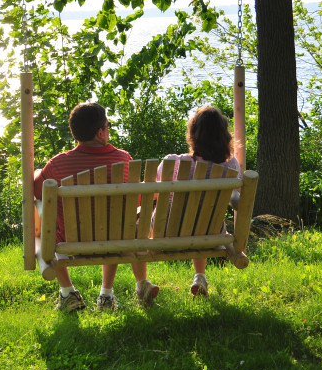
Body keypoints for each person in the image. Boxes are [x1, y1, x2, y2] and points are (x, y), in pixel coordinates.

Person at [34, 102, 159, 312]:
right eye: (108, 126)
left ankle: (68, 292)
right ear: (100, 132)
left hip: (71, 241)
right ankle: (106, 294)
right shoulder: (123, 159)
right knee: (115, 224)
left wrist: (37, 172)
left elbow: (38, 191)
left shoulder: (58, 164)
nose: (109, 129)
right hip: (115, 240)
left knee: (39, 213)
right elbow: (135, 203)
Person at [156, 105, 241, 298]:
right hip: (210, 231)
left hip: (170, 231)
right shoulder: (231, 165)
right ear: (223, 135)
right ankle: (200, 275)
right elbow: (234, 199)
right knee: (202, 218)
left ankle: (143, 282)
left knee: (166, 212)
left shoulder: (172, 162)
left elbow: (155, 192)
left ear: (193, 134)